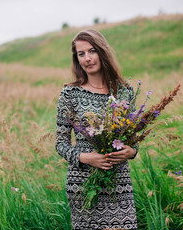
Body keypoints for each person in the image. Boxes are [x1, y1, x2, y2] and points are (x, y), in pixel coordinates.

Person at [55, 29, 138, 230]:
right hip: (84, 183)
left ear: (103, 52)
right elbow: (60, 144)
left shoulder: (125, 92)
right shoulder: (70, 93)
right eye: (81, 54)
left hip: (118, 180)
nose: (87, 59)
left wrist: (132, 152)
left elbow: (132, 141)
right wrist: (86, 157)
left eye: (92, 51)